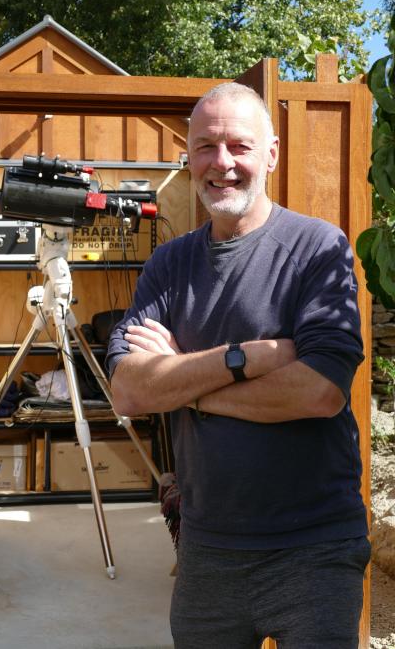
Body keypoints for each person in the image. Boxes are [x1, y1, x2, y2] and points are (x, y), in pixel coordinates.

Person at [105, 82, 370, 649]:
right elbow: (127, 391)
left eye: (239, 147)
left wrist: (180, 383)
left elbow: (320, 392)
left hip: (314, 548)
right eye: (205, 146)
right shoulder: (169, 263)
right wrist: (246, 357)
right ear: (189, 155)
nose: (220, 164)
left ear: (270, 154)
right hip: (207, 550)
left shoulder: (317, 249)